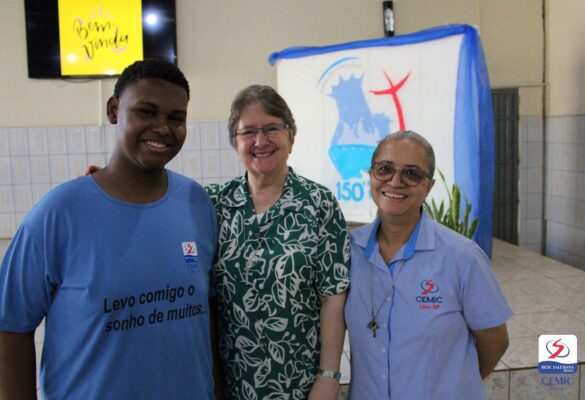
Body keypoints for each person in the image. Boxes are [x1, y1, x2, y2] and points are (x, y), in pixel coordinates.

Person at [0, 59, 219, 399]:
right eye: (146, 112)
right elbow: (10, 326)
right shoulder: (59, 213)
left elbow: (207, 315)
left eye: (176, 118)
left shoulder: (196, 203)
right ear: (114, 110)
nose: (162, 127)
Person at [206, 85, 350, 400]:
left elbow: (333, 297)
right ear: (234, 142)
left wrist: (328, 378)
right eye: (248, 132)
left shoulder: (319, 204)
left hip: (301, 384)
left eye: (272, 128)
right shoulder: (214, 205)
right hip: (230, 384)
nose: (260, 141)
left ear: (291, 137)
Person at [345, 130, 511, 399]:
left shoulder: (462, 257)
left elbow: (495, 340)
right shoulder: (349, 251)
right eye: (384, 169)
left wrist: (450, 385)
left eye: (411, 173)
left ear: (429, 186)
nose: (395, 181)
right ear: (371, 175)